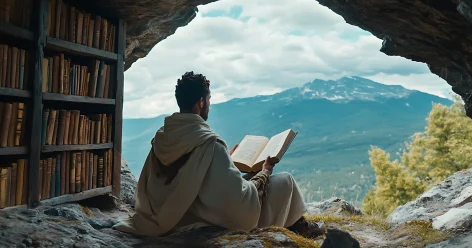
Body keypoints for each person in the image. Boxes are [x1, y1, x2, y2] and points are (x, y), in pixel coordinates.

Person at [113, 71, 325, 238]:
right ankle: (300, 226)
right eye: (209, 99)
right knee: (285, 181)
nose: (209, 104)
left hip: (175, 213)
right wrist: (265, 172)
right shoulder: (209, 143)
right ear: (201, 102)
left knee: (252, 179)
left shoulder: (162, 136)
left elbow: (186, 176)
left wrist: (228, 160)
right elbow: (238, 203)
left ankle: (299, 225)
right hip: (201, 216)